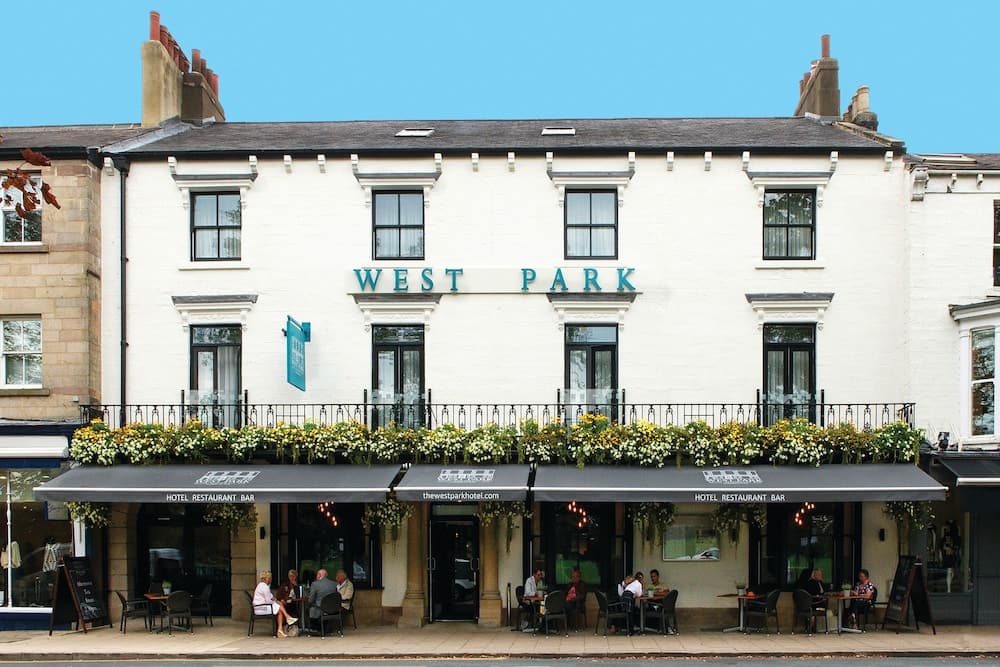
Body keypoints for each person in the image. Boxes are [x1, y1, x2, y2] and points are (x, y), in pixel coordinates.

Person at [253, 570, 297, 637]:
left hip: (262, 607)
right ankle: (286, 619)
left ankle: (281, 628)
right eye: (271, 578)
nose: (271, 580)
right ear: (268, 578)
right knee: (279, 607)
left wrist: (275, 601)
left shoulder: (262, 586)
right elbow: (269, 601)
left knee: (279, 605)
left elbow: (272, 597)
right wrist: (275, 601)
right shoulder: (264, 587)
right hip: (262, 608)